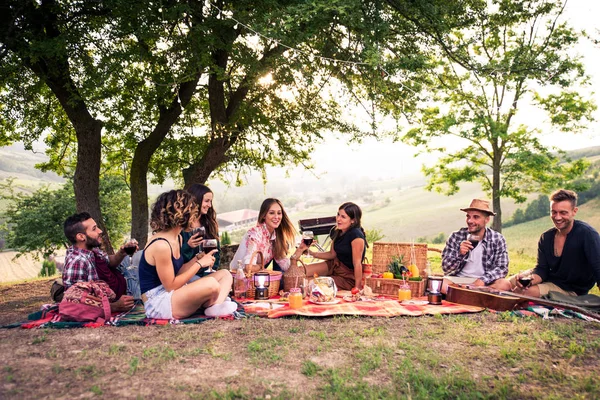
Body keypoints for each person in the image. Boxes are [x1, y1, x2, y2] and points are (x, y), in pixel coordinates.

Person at [139, 190, 236, 319]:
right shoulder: (161, 245)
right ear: (181, 214)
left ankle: (214, 306)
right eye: (192, 211)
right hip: (159, 303)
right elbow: (171, 285)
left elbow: (178, 272)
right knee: (211, 283)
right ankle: (214, 305)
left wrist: (196, 258)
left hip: (174, 294)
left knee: (225, 274)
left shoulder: (177, 238)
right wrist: (199, 264)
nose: (195, 215)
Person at [510, 189, 600, 297]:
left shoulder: (587, 234)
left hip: (571, 290)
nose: (557, 217)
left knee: (522, 292)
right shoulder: (546, 237)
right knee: (505, 285)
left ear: (574, 211)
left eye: (563, 212)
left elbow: (598, 269)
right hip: (549, 279)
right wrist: (530, 281)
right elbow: (542, 269)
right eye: (554, 212)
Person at [62, 212, 135, 311]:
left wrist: (122, 252)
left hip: (125, 278)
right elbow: (73, 302)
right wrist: (115, 306)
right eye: (94, 229)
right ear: (81, 237)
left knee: (142, 255)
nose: (100, 231)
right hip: (127, 293)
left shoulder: (92, 250)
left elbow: (110, 262)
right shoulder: (77, 261)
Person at [292, 202, 367, 291]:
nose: (338, 219)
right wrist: (311, 253)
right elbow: (332, 254)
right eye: (338, 215)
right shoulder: (336, 230)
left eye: (343, 217)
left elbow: (357, 263)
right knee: (298, 274)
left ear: (353, 220)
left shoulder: (356, 235)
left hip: (347, 276)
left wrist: (357, 287)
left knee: (309, 285)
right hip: (333, 265)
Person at [441, 199, 511, 293]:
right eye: (468, 216)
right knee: (440, 283)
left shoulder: (497, 239)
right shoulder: (456, 236)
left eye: (476, 217)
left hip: (484, 282)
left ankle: (463, 295)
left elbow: (502, 268)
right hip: (458, 281)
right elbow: (446, 268)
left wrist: (482, 281)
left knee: (505, 284)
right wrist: (460, 254)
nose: (470, 221)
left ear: (487, 219)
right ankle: (474, 296)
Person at [229, 198, 295, 272]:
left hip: (256, 276)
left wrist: (300, 250)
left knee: (283, 274)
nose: (276, 217)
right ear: (264, 215)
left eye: (279, 213)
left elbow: (286, 267)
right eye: (272, 213)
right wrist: (261, 266)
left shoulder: (276, 237)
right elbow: (249, 268)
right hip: (239, 276)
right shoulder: (255, 234)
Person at [180, 184, 221, 274]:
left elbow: (216, 252)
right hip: (187, 275)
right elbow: (176, 259)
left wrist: (211, 268)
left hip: (207, 273)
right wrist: (188, 246)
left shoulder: (209, 224)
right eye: (206, 201)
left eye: (211, 201)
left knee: (225, 274)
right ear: (195, 201)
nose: (209, 205)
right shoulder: (181, 227)